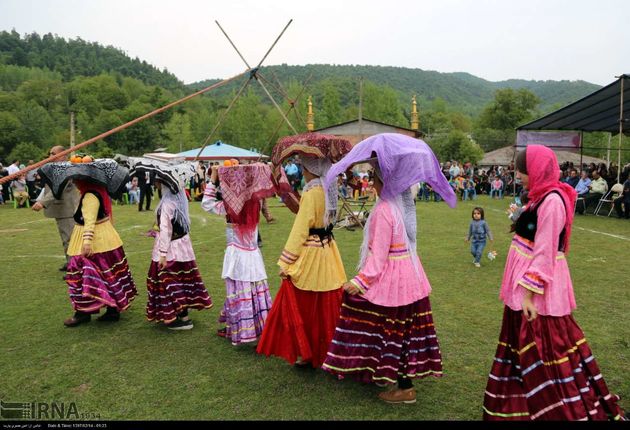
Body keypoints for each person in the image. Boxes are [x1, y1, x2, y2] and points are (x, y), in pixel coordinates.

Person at [482, 145, 626, 421]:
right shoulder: (539, 196)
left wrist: (528, 295)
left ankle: (556, 403)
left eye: (523, 170)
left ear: (537, 170)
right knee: (523, 344)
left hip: (538, 289)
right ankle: (522, 400)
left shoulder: (552, 201)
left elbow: (546, 252)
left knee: (546, 344)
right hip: (525, 284)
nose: (520, 175)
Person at [321, 133, 457, 404]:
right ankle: (393, 378)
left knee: (385, 327)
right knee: (402, 332)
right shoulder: (402, 205)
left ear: (385, 181)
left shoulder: (384, 210)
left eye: (375, 178)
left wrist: (359, 281)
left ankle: (401, 386)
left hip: (393, 280)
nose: (372, 184)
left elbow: (379, 257)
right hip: (410, 278)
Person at [257, 132, 351, 368]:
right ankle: (326, 350)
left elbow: (301, 229)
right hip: (328, 251)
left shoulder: (311, 192)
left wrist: (286, 262)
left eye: (304, 166)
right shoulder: (329, 190)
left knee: (306, 304)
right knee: (326, 302)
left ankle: (306, 350)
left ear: (311, 168)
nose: (303, 170)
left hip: (311, 253)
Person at [38, 158, 137, 327]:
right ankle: (112, 311)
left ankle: (83, 313)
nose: (75, 182)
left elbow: (89, 220)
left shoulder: (90, 196)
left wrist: (86, 242)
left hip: (94, 241)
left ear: (83, 180)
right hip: (107, 240)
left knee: (82, 275)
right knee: (108, 275)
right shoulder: (93, 192)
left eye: (76, 179)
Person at [131, 160, 213, 330]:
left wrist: (162, 254)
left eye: (158, 180)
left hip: (171, 248)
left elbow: (166, 229)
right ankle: (183, 316)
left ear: (165, 183)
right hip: (182, 245)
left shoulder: (168, 203)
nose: (156, 183)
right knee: (182, 278)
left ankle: (175, 318)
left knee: (169, 281)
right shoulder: (179, 197)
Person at [202, 161, 274, 345]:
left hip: (238, 254)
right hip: (252, 253)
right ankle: (253, 327)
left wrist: (213, 179)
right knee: (254, 290)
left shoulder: (230, 206)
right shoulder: (255, 201)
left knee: (239, 289)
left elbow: (207, 204)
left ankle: (245, 331)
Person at [32, 146, 81, 272]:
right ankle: (70, 262)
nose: (50, 157)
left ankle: (75, 268)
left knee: (70, 239)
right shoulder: (57, 168)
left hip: (68, 209)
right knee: (66, 238)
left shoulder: (66, 168)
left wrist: (42, 202)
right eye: (49, 154)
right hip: (62, 210)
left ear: (63, 155)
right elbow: (50, 188)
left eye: (53, 154)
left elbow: (58, 189)